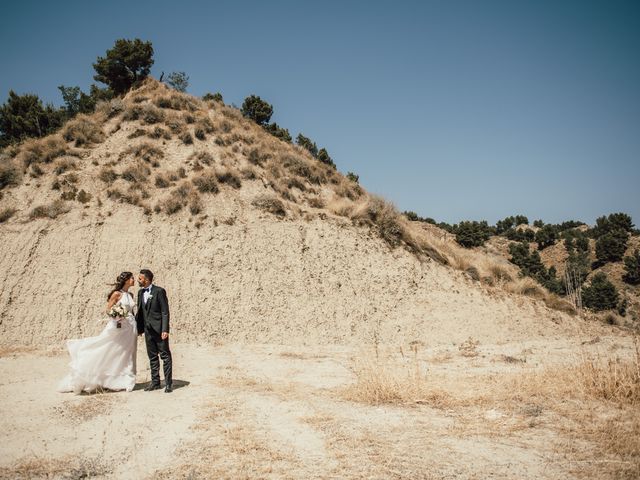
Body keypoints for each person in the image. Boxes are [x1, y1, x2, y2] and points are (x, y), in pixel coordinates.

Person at [58, 272, 137, 394]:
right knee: (109, 350)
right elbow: (108, 309)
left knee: (126, 353)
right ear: (126, 280)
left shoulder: (130, 294)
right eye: (132, 278)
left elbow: (131, 310)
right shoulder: (117, 294)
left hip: (130, 328)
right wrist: (118, 316)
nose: (134, 280)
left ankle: (124, 381)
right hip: (119, 327)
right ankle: (97, 375)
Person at [136, 269, 173, 393]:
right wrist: (140, 328)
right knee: (152, 357)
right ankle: (155, 382)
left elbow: (165, 312)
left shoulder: (159, 291)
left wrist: (165, 329)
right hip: (147, 330)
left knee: (165, 356)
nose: (138, 280)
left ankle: (168, 383)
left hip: (159, 330)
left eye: (140, 278)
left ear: (146, 279)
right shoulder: (140, 293)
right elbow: (141, 312)